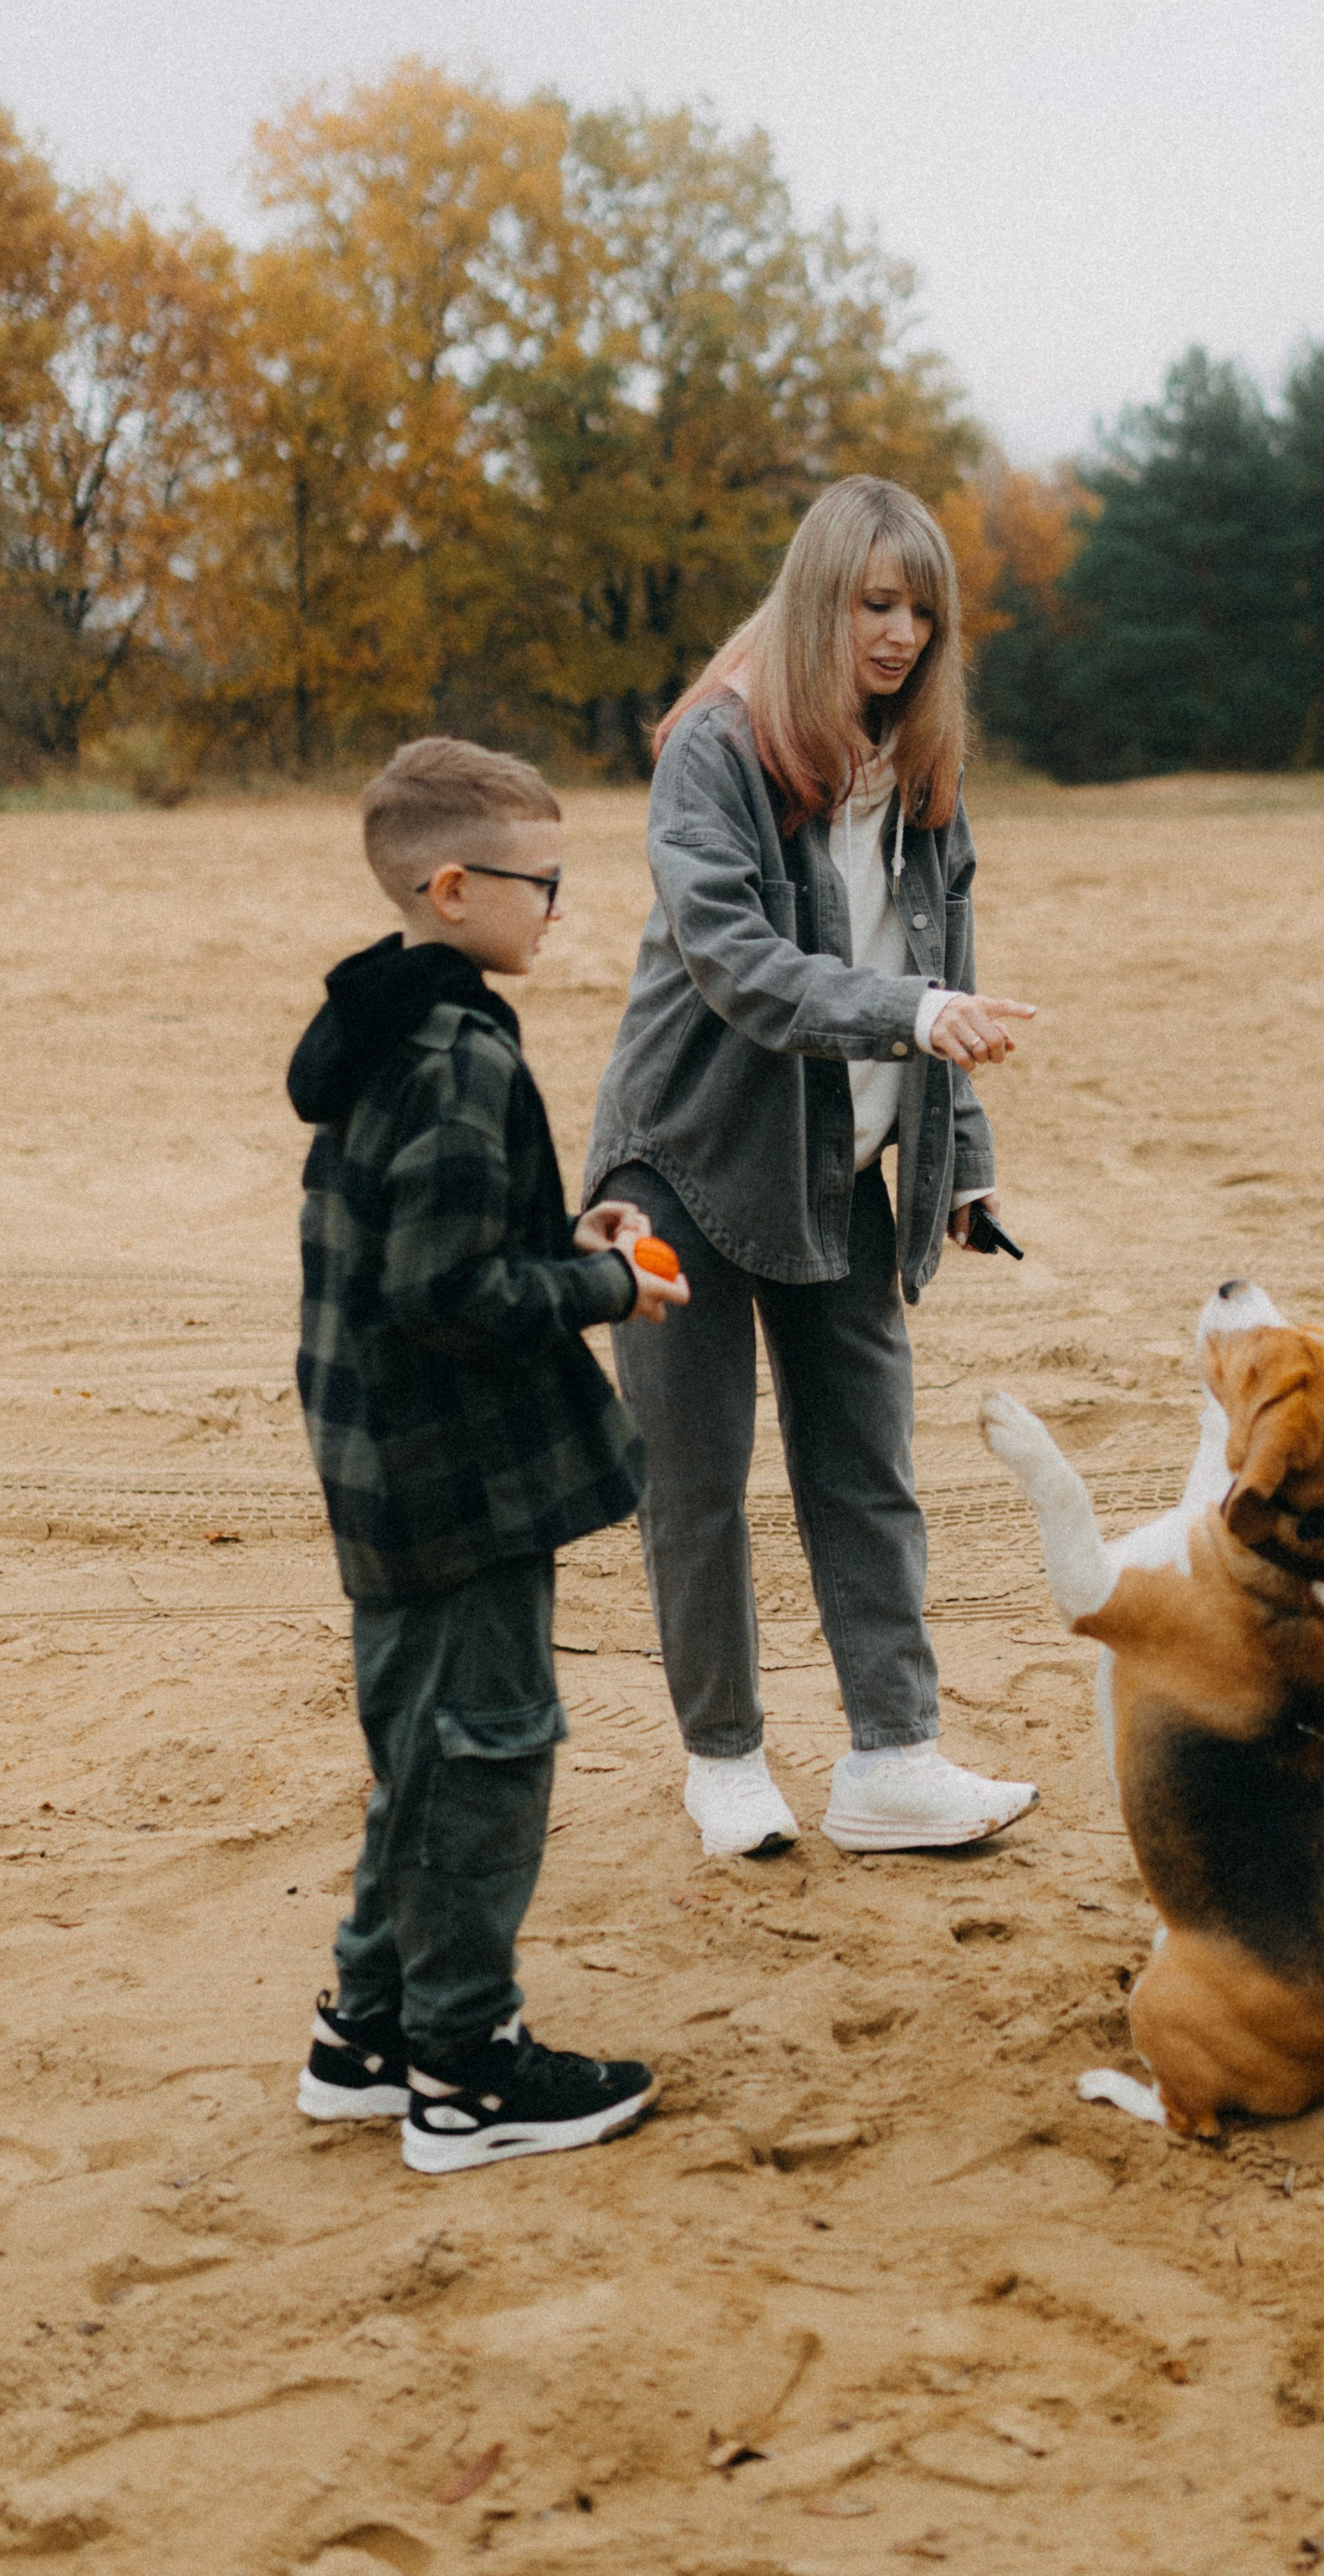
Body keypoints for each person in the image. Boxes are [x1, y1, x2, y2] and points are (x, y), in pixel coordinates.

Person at [585, 473, 1039, 1859]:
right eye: (871, 602)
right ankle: (724, 1760)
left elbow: (941, 970)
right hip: (683, 1158)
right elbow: (734, 962)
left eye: (920, 610)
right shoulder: (715, 753)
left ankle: (892, 1758)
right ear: (816, 598)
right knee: (696, 1477)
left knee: (865, 1464)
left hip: (839, 1164)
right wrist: (906, 1017)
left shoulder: (921, 769)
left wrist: (961, 1156)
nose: (897, 634)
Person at [287, 736, 689, 2173]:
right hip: (457, 1480)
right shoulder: (458, 1054)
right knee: (486, 1755)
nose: (560, 909)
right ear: (454, 887)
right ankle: (461, 2069)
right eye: (545, 883)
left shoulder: (384, 1025)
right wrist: (606, 1288)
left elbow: (434, 1247)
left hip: (384, 1468)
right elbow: (443, 1295)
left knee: (417, 1754)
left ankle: (367, 2029)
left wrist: (555, 1241)